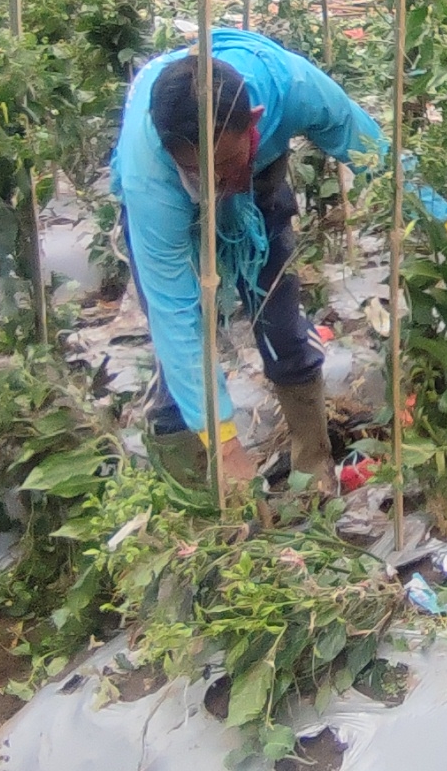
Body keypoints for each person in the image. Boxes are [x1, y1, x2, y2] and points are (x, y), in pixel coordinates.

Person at [112, 28, 388, 494]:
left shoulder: (291, 86)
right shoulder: (152, 181)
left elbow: (370, 148)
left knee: (280, 323)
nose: (215, 181)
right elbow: (176, 314)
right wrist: (227, 448)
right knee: (178, 353)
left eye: (224, 162)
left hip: (257, 191)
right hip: (175, 207)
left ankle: (312, 466)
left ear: (254, 122)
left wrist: (443, 221)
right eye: (199, 169)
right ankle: (203, 493)